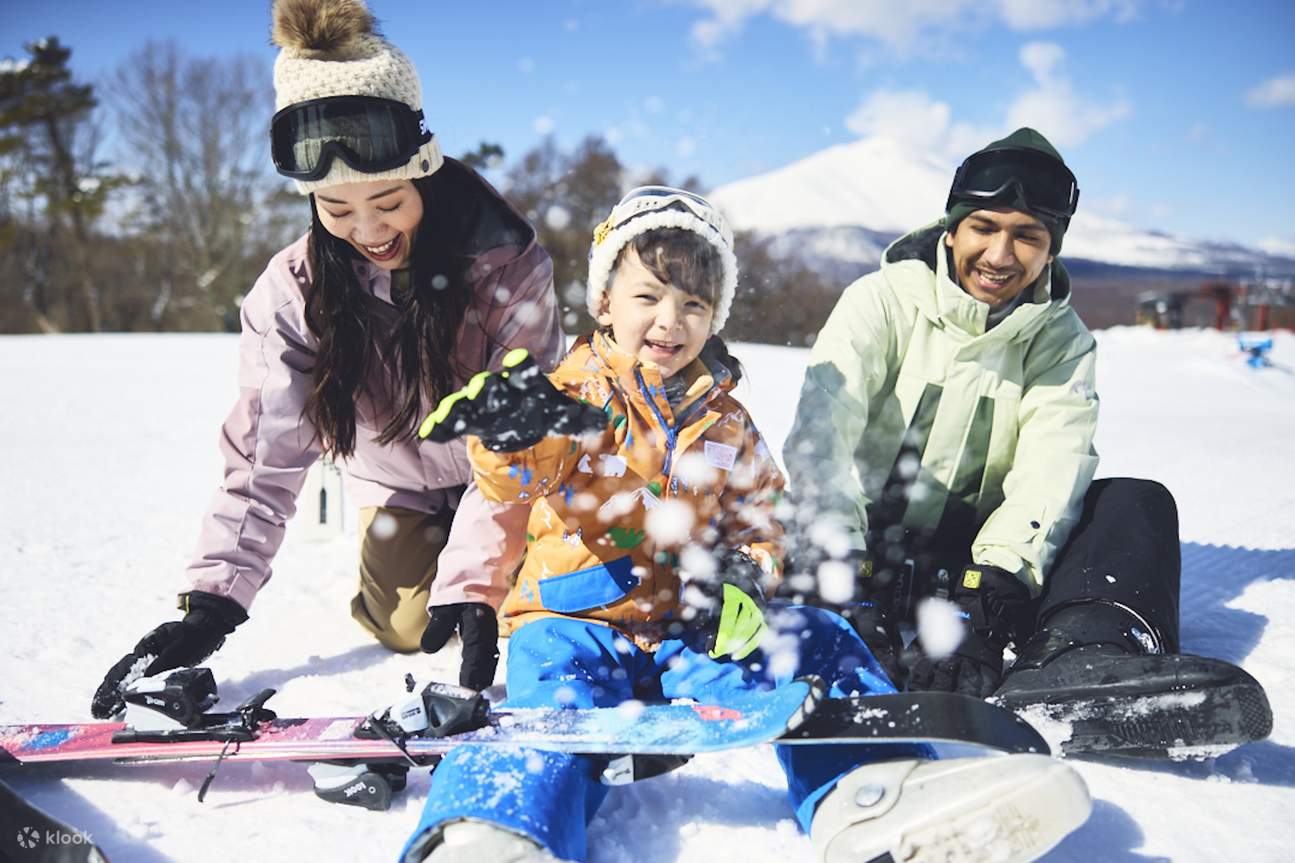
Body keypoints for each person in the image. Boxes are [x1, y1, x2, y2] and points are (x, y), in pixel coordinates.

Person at [401, 186, 1091, 863]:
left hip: (690, 630)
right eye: (647, 297)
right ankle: (494, 831)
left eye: (693, 304)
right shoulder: (569, 400)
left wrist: (745, 573)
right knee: (548, 713)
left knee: (817, 637)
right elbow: (518, 477)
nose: (670, 320)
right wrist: (502, 437)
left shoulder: (725, 420)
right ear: (603, 302)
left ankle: (876, 794)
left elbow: (762, 521)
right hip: (574, 621)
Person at [90, 0, 562, 719]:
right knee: (406, 627)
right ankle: (405, 569)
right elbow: (263, 457)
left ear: (424, 175)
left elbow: (520, 432)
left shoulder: (505, 264)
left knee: (528, 605)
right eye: (337, 211)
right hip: (400, 486)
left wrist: (477, 580)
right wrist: (210, 605)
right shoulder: (289, 293)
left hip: (502, 477)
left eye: (388, 200)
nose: (369, 229)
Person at [782, 127, 1182, 701]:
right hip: (863, 552)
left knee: (1134, 503)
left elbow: (1054, 462)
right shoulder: (882, 301)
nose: (999, 255)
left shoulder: (1062, 341)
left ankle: (1084, 661)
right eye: (984, 227)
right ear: (951, 232)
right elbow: (824, 433)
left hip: (976, 575)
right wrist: (844, 571)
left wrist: (991, 591)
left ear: (1051, 249)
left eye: (1027, 236)